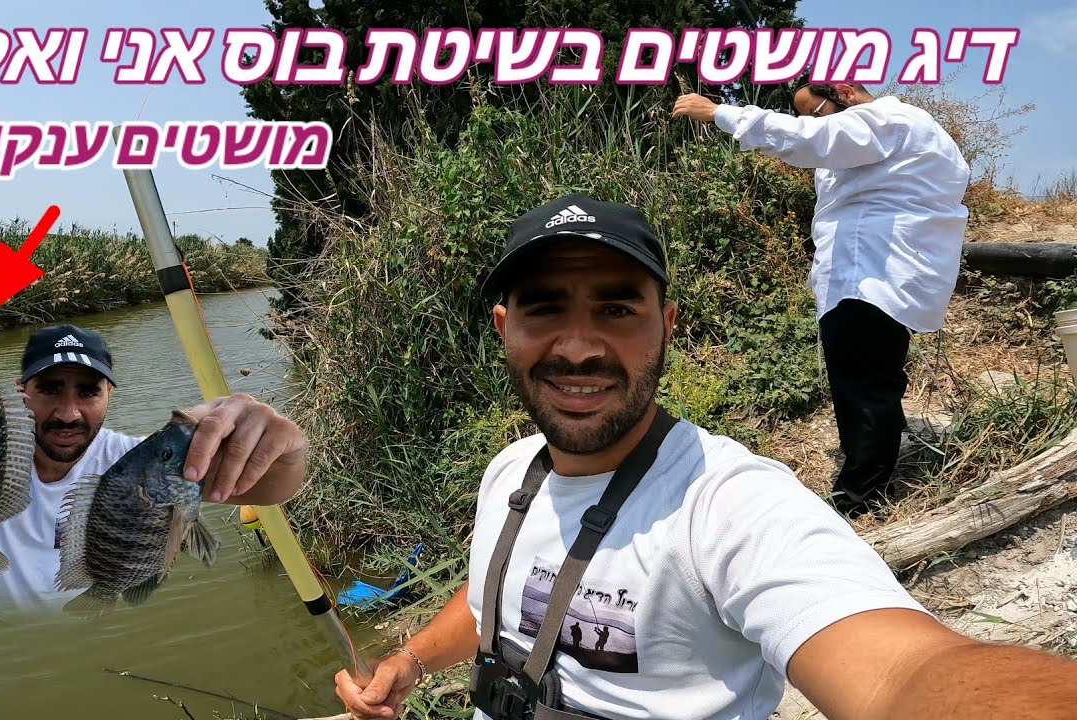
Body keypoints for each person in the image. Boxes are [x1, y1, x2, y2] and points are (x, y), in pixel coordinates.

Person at [333, 195, 1077, 720]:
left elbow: (906, 674)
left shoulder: (729, 504)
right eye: (546, 307)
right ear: (505, 327)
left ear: (667, 325)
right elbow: (491, 599)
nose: (580, 346)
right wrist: (411, 662)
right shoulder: (510, 472)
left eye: (617, 308)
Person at [0, 297, 307, 617]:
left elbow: (271, 487)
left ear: (110, 396)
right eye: (48, 389)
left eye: (88, 391)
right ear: (20, 391)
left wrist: (288, 448)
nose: (68, 412)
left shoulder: (134, 462)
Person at [673, 83, 970, 517]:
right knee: (868, 379)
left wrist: (720, 113)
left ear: (845, 93)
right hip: (878, 275)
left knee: (863, 386)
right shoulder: (900, 134)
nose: (812, 122)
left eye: (815, 111)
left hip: (870, 276)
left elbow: (809, 140)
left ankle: (859, 499)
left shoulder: (885, 120)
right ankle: (875, 469)